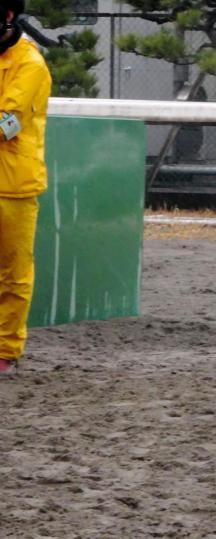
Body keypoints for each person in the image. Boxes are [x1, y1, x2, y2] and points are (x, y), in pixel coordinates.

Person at [0, 0, 52, 377]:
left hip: (13, 185)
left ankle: (5, 349)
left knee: (13, 272)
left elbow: (7, 125)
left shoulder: (30, 65)